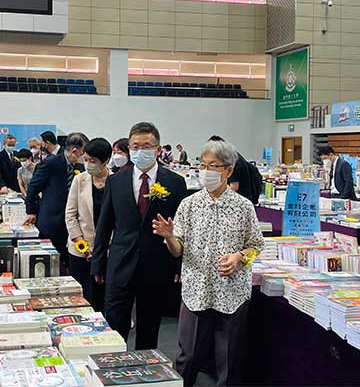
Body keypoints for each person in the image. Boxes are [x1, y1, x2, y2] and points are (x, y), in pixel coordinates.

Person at [154, 139, 264, 387]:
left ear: (228, 170)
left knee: (229, 358)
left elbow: (256, 246)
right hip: (196, 289)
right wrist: (169, 237)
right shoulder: (189, 204)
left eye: (212, 166)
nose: (206, 171)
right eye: (202, 165)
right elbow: (177, 251)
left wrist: (238, 257)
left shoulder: (243, 207)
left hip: (232, 292)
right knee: (188, 354)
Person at [91, 122, 188, 350]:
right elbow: (104, 226)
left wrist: (179, 265)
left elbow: (183, 229)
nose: (140, 151)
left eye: (146, 146)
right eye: (135, 146)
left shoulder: (175, 182)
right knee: (115, 324)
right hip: (120, 262)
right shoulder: (116, 181)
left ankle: (145, 368)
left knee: (149, 327)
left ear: (157, 149)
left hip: (156, 264)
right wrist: (98, 263)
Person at [24, 132, 89, 267]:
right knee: (51, 263)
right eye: (83, 152)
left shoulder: (81, 167)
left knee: (69, 261)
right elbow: (33, 187)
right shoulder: (52, 163)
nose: (85, 156)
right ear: (75, 151)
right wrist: (31, 211)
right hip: (52, 220)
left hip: (73, 222)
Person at [65, 138, 112, 313]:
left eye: (93, 161)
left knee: (103, 297)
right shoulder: (80, 180)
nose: (88, 164)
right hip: (80, 248)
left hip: (107, 250)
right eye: (86, 159)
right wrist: (82, 245)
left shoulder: (116, 181)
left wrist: (103, 247)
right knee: (82, 296)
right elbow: (70, 214)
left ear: (105, 161)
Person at [208, 135, 258, 204]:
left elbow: (234, 187)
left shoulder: (233, 160)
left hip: (239, 202)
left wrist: (218, 199)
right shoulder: (231, 156)